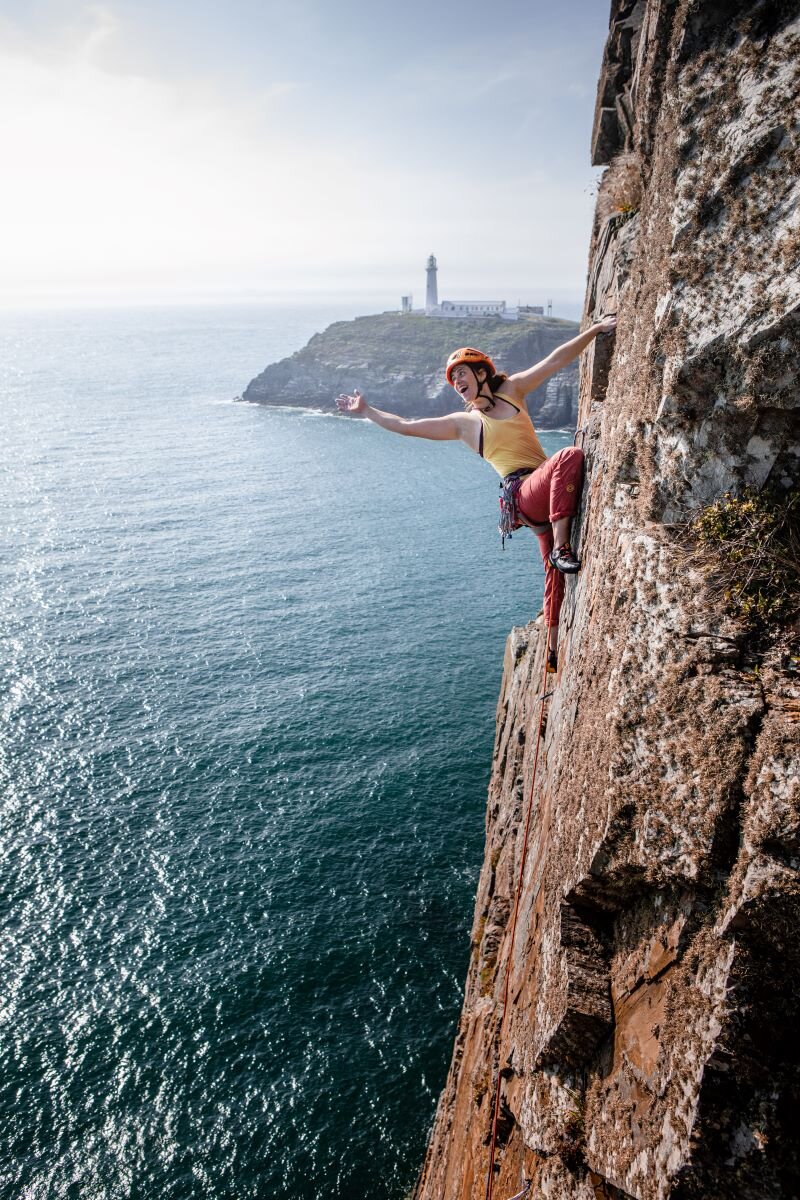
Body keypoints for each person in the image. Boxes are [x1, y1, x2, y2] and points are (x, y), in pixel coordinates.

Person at [335, 316, 617, 672]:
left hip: (543, 489)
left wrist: (594, 331)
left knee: (552, 574)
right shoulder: (464, 425)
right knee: (569, 455)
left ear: (482, 373)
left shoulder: (512, 391)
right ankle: (564, 546)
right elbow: (406, 426)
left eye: (462, 375)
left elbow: (555, 360)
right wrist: (367, 411)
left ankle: (552, 648)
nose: (457, 383)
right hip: (524, 494)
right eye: (454, 380)